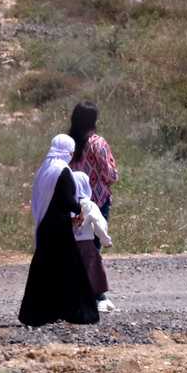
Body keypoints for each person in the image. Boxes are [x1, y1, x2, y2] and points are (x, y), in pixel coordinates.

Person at [18, 134, 99, 326]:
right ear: (66, 151)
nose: (71, 155)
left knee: (44, 270)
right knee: (71, 269)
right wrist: (80, 209)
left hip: (45, 227)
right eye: (70, 152)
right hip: (59, 230)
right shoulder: (62, 171)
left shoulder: (44, 169)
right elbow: (66, 200)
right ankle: (80, 313)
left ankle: (37, 314)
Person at [68, 101, 118, 309]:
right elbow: (110, 174)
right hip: (97, 200)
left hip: (73, 202)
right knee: (93, 249)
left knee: (77, 247)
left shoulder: (69, 143)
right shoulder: (98, 143)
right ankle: (95, 294)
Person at [72, 171, 114, 312]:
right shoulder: (89, 205)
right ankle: (99, 299)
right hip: (86, 245)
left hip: (68, 246)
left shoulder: (62, 204)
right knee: (93, 271)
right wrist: (105, 239)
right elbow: (99, 223)